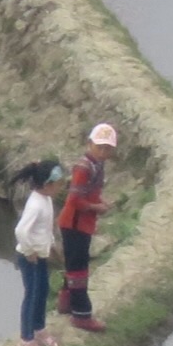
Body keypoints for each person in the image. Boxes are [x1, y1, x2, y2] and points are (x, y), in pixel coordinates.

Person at [57, 123, 116, 332]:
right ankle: (81, 314)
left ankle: (65, 301)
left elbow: (89, 193)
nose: (103, 151)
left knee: (76, 264)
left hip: (82, 223)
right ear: (90, 143)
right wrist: (96, 208)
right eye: (99, 146)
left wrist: (100, 201)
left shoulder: (97, 165)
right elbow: (75, 200)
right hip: (74, 224)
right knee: (79, 270)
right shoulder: (84, 167)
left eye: (107, 148)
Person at [13, 160, 65, 346]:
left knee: (42, 291)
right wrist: (29, 251)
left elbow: (45, 228)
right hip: (30, 258)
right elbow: (21, 230)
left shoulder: (47, 201)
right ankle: (26, 338)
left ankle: (39, 328)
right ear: (46, 184)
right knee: (32, 294)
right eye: (57, 183)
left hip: (41, 254)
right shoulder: (35, 204)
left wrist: (51, 244)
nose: (60, 187)